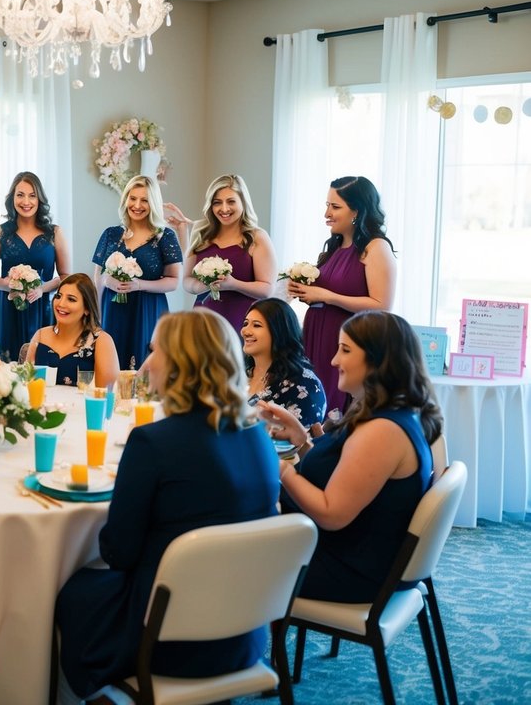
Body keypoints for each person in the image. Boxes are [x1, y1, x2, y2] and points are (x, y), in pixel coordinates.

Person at [54, 309, 279, 703]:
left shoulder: (153, 442)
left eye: (154, 351)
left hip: (166, 640)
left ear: (178, 365)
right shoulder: (258, 436)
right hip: (245, 633)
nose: (146, 363)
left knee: (70, 593)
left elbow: (118, 552)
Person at [262, 311, 439, 603]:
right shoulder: (390, 412)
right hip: (348, 550)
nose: (333, 361)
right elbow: (345, 476)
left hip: (346, 567)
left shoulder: (382, 431)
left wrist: (278, 467)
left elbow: (332, 513)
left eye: (345, 350)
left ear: (378, 360)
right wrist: (301, 440)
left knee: (227, 546)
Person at [288, 175, 396, 413]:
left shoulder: (375, 247)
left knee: (336, 410)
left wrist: (326, 296)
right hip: (317, 337)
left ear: (357, 211)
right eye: (327, 205)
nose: (327, 213)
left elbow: (382, 305)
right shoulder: (335, 248)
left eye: (335, 207)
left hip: (345, 341)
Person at [91, 175, 182, 371]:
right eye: (133, 198)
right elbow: (98, 277)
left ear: (153, 203)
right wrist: (96, 318)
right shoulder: (110, 234)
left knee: (143, 371)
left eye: (145, 200)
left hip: (148, 310)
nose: (137, 205)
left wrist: (140, 285)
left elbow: (174, 281)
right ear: (125, 200)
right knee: (110, 367)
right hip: (112, 310)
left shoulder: (165, 236)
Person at [169, 174, 277, 333]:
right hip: (203, 322)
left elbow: (267, 289)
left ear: (243, 202)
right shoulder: (201, 234)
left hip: (242, 323)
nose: (224, 209)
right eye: (217, 203)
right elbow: (186, 280)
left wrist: (233, 284)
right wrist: (200, 286)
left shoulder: (257, 237)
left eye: (231, 201)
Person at [0, 171, 71, 361]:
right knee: (5, 367)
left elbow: (66, 277)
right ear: (12, 198)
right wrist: (7, 284)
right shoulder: (0, 233)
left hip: (41, 309)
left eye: (32, 195)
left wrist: (41, 289)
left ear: (39, 199)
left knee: (39, 365)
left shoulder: (54, 233)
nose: (26, 201)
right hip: (6, 309)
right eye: (20, 195)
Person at [242, 298, 327, 428]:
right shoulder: (241, 373)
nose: (246, 331)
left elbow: (303, 441)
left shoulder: (303, 384)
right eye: (245, 323)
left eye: (256, 325)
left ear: (279, 331)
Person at [25, 273, 119, 389]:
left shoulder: (101, 341)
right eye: (58, 296)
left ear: (87, 309)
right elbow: (26, 384)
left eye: (71, 299)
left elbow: (107, 394)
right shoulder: (40, 335)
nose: (61, 303)